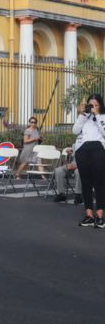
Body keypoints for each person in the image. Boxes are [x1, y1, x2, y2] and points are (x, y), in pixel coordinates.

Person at [72, 94, 105, 227]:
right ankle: (89, 215)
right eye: (91, 105)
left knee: (99, 183)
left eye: (95, 105)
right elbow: (75, 131)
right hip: (82, 149)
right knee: (85, 182)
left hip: (98, 148)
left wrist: (97, 115)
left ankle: (100, 216)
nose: (93, 108)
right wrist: (82, 115)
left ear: (100, 105)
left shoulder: (102, 116)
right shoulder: (84, 117)